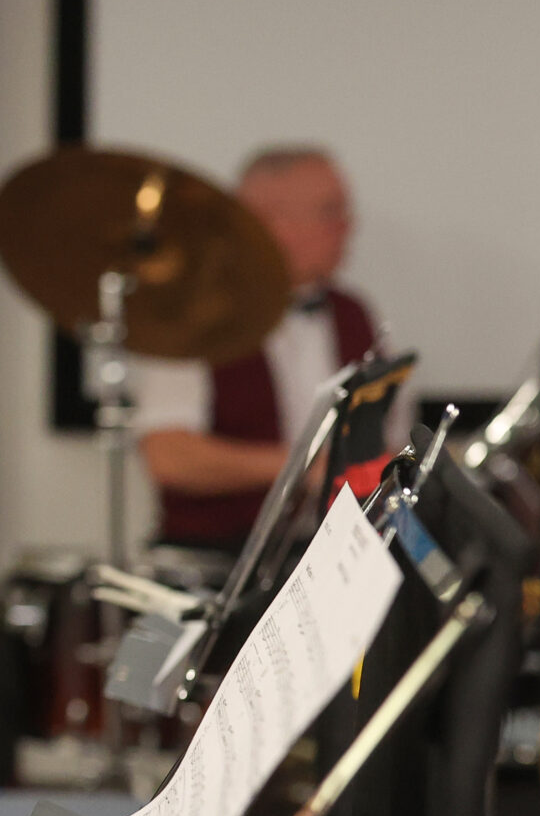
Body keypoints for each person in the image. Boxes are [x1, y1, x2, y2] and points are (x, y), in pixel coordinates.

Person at [137, 146, 385, 549]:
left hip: (330, 552)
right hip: (220, 556)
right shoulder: (195, 315)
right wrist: (303, 466)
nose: (346, 227)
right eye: (329, 211)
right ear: (267, 222)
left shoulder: (353, 315)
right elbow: (168, 455)